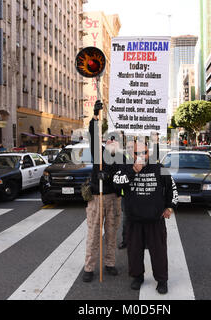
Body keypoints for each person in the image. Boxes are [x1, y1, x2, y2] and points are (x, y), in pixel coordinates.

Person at [113, 141, 179, 294]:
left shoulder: (159, 168)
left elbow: (172, 189)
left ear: (149, 153)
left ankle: (162, 280)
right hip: (134, 219)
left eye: (144, 153)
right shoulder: (125, 168)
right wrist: (133, 171)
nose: (141, 156)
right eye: (137, 153)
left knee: (159, 252)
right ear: (131, 154)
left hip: (155, 219)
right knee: (134, 251)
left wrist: (170, 207)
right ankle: (137, 276)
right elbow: (116, 183)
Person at [82, 100, 125, 283]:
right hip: (96, 198)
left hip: (114, 199)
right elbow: (93, 135)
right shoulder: (98, 153)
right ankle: (89, 267)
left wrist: (108, 177)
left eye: (114, 140)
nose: (111, 142)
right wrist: (95, 115)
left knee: (111, 233)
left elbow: (123, 180)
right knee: (93, 234)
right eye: (109, 139)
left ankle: (109, 263)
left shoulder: (123, 159)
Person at [118, 138, 136, 250]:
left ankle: (143, 240)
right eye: (128, 147)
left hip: (140, 194)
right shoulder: (123, 160)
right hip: (127, 195)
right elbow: (121, 175)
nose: (130, 149)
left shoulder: (142, 158)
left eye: (132, 147)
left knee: (141, 218)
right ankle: (126, 241)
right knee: (126, 219)